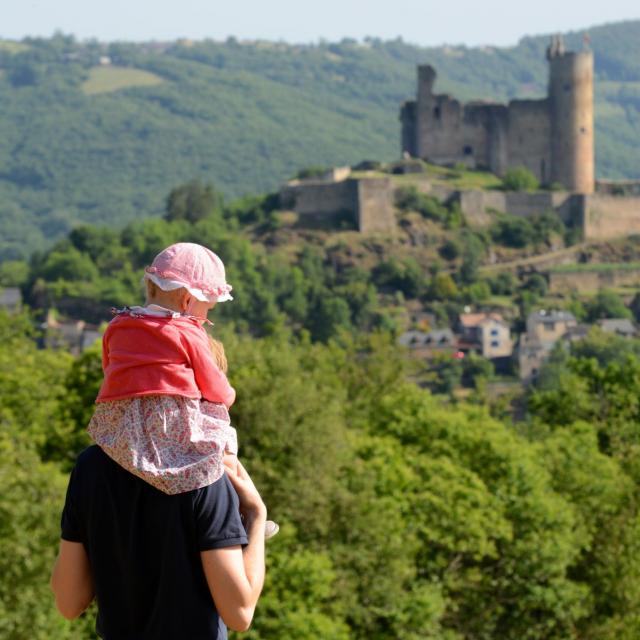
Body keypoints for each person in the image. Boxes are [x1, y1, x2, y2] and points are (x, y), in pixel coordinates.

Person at [86, 241, 277, 536]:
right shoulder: (186, 332)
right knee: (221, 446)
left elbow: (109, 369)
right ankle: (240, 516)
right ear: (188, 301)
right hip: (171, 422)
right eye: (207, 309)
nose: (206, 318)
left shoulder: (118, 325)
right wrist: (229, 395)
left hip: (120, 423)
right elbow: (213, 384)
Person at [51, 446, 266, 638]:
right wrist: (256, 516)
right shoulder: (206, 469)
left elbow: (69, 602)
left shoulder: (91, 466)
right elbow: (239, 613)